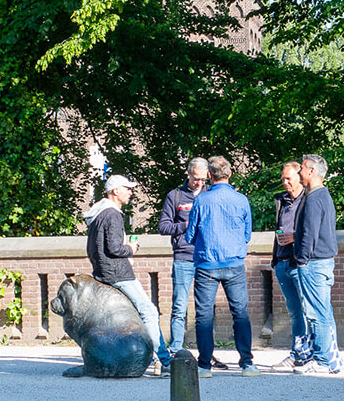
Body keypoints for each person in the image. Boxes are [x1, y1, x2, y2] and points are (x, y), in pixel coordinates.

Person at [83, 174, 171, 374]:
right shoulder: (112, 214)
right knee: (148, 311)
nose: (131, 192)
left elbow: (92, 249)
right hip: (118, 272)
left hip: (103, 271)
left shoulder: (97, 214)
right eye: (127, 188)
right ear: (115, 191)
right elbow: (114, 248)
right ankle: (163, 360)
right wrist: (130, 248)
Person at [185, 156, 259, 378]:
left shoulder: (201, 201)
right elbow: (247, 234)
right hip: (234, 263)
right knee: (240, 313)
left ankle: (205, 365)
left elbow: (190, 235)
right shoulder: (241, 200)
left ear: (210, 175)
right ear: (230, 174)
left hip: (206, 263)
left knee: (204, 315)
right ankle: (247, 363)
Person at [158, 158, 229, 369]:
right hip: (184, 257)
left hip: (207, 257)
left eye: (202, 179)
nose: (198, 183)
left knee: (205, 309)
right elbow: (163, 227)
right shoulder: (176, 196)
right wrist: (187, 224)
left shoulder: (211, 195)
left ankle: (207, 353)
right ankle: (175, 352)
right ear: (188, 174)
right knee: (179, 307)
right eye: (195, 178)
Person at [292, 153, 342, 374]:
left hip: (313, 263)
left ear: (311, 171)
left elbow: (309, 234)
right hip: (324, 261)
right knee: (324, 311)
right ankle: (331, 359)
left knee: (316, 313)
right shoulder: (324, 196)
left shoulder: (313, 198)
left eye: (302, 168)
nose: (299, 172)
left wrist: (301, 260)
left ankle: (322, 360)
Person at [268, 161, 313, 371]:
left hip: (300, 263)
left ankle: (309, 353)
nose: (285, 183)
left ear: (299, 177)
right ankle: (296, 353)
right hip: (282, 262)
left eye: (289, 178)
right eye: (283, 179)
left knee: (308, 311)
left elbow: (314, 232)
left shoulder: (309, 199)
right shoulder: (282, 201)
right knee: (294, 312)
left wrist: (295, 237)